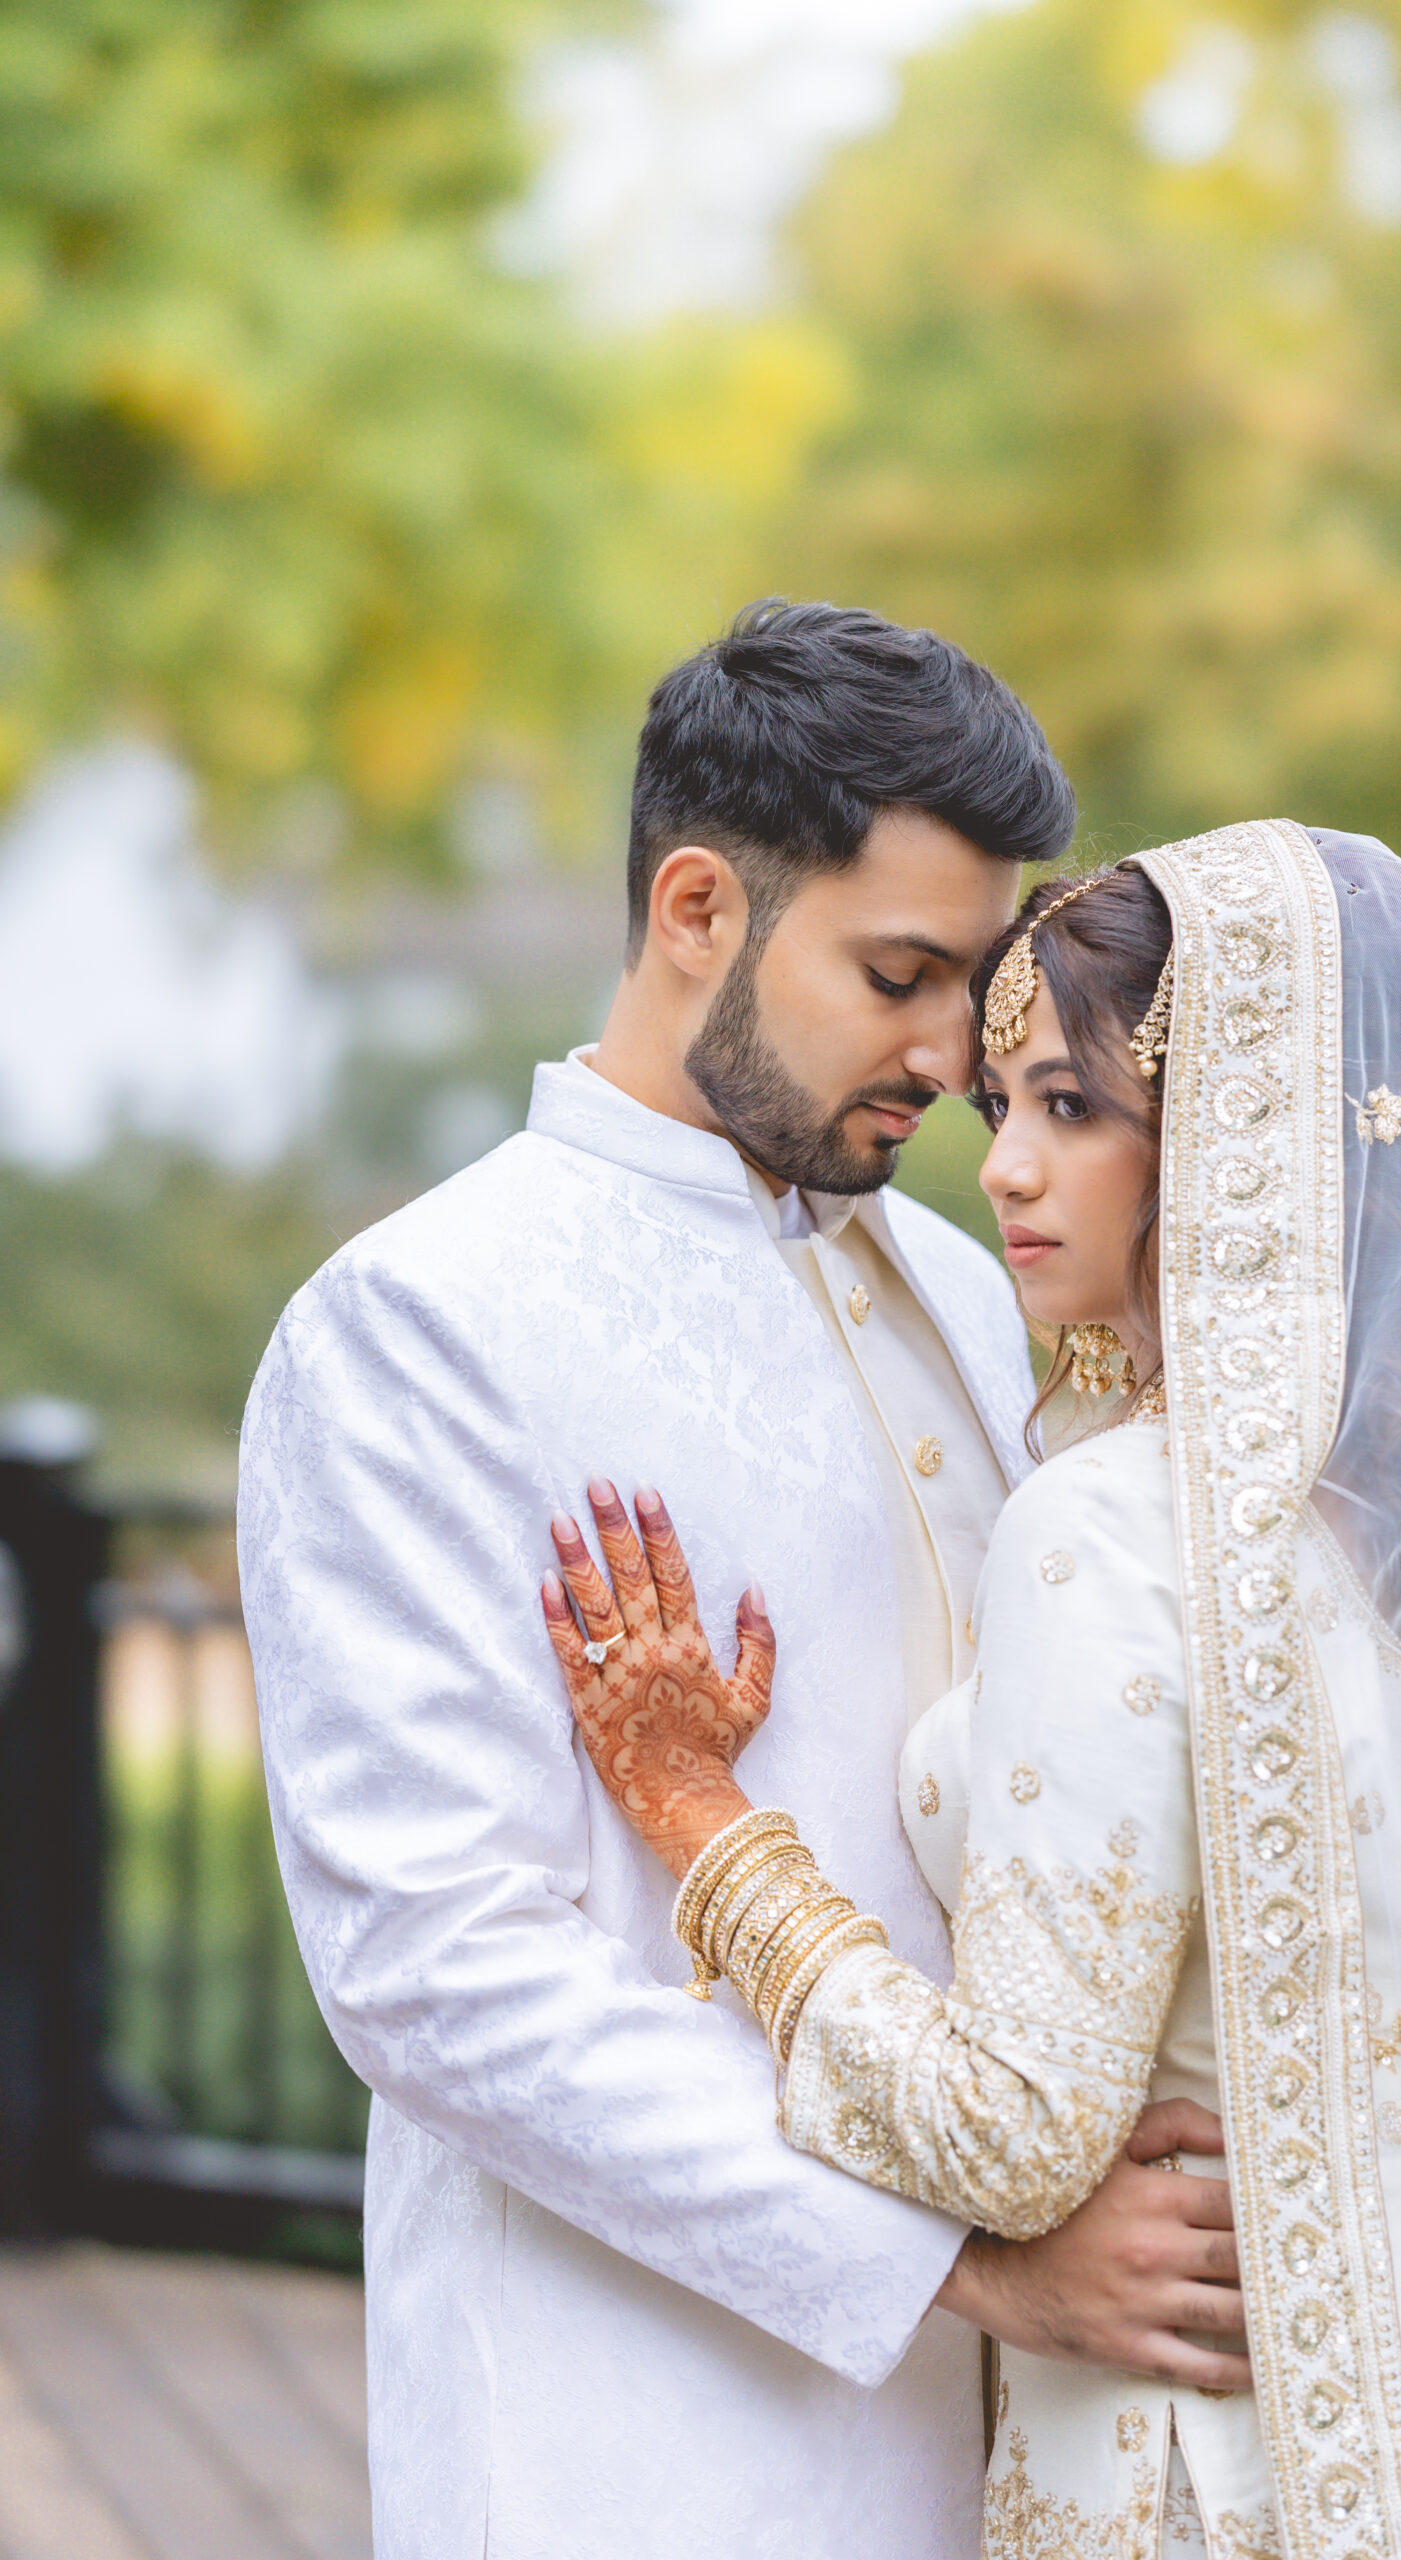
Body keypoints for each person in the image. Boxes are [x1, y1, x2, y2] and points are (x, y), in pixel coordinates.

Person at [546, 819, 1401, 2559]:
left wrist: (706, 1828)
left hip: (1197, 2468)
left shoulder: (1113, 1526)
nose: (1005, 1169)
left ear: (1244, 1140)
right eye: (999, 1106)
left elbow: (1011, 2132)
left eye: (1075, 1108)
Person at [238, 601, 1248, 2560]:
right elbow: (437, 1964)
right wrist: (960, 2261)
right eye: (898, 974)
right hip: (634, 2429)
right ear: (698, 905)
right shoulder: (418, 1323)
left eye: (974, 984)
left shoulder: (966, 1288)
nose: (955, 1055)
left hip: (1040, 2422)